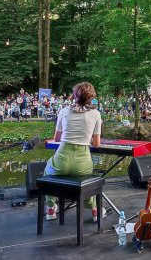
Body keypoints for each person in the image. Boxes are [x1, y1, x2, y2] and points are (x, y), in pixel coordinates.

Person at [43, 82, 104, 221]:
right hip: (82, 160)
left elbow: (57, 138)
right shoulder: (96, 114)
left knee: (48, 171)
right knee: (87, 182)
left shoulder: (64, 111)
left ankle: (50, 208)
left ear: (74, 96)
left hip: (62, 157)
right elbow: (96, 143)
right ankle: (94, 210)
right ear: (91, 97)